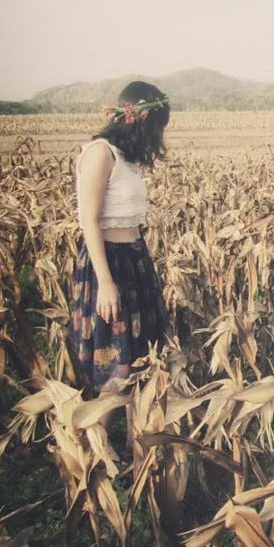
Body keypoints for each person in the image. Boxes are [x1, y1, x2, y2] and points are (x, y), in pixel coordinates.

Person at [69, 81, 171, 392]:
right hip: (109, 262)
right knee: (115, 365)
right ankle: (101, 422)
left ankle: (133, 422)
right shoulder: (101, 153)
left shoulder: (126, 157)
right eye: (157, 127)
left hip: (134, 261)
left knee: (141, 356)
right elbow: (89, 221)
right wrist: (106, 283)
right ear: (141, 122)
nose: (158, 136)